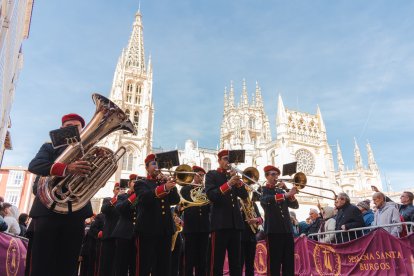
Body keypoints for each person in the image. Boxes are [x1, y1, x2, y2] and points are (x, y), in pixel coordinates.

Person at [27, 113, 93, 276]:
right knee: (41, 262)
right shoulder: (49, 147)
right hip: (48, 211)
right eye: (67, 126)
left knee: (68, 264)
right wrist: (66, 168)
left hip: (75, 212)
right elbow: (35, 165)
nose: (70, 129)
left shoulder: (90, 150)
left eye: (75, 126)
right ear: (61, 129)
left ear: (82, 130)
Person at [134, 153, 180, 276]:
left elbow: (175, 200)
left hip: (165, 230)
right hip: (147, 230)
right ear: (147, 167)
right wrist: (164, 187)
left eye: (158, 164)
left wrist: (170, 185)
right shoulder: (141, 183)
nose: (157, 166)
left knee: (163, 267)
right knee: (144, 265)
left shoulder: (162, 183)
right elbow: (144, 198)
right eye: (154, 164)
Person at [205, 149, 249, 276]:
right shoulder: (212, 175)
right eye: (225, 158)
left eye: (229, 159)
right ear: (219, 161)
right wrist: (228, 183)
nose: (227, 161)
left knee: (236, 263)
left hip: (235, 224)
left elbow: (245, 196)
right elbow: (212, 196)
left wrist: (239, 183)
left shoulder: (234, 177)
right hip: (219, 224)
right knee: (216, 263)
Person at [260, 165, 298, 276]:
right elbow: (265, 200)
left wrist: (287, 190)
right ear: (267, 176)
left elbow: (295, 205)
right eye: (273, 174)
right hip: (273, 230)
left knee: (289, 262)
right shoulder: (263, 189)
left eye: (277, 174)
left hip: (286, 230)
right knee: (274, 262)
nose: (276, 176)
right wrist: (285, 194)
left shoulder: (281, 190)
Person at [180, 165, 210, 276]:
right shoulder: (186, 189)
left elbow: (209, 208)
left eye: (203, 176)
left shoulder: (206, 190)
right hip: (190, 228)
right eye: (200, 175)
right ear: (194, 175)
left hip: (204, 228)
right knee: (189, 259)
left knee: (202, 260)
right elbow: (183, 202)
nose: (202, 178)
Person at [112, 174, 138, 276]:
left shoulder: (142, 196)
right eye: (134, 181)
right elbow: (120, 209)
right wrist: (134, 196)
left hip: (137, 234)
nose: (136, 183)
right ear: (129, 183)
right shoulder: (123, 196)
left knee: (134, 266)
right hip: (123, 233)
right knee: (121, 265)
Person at [240, 190, 263, 276]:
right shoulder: (238, 203)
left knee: (250, 264)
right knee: (239, 264)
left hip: (251, 237)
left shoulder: (253, 204)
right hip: (241, 237)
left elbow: (261, 219)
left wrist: (256, 220)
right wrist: (240, 210)